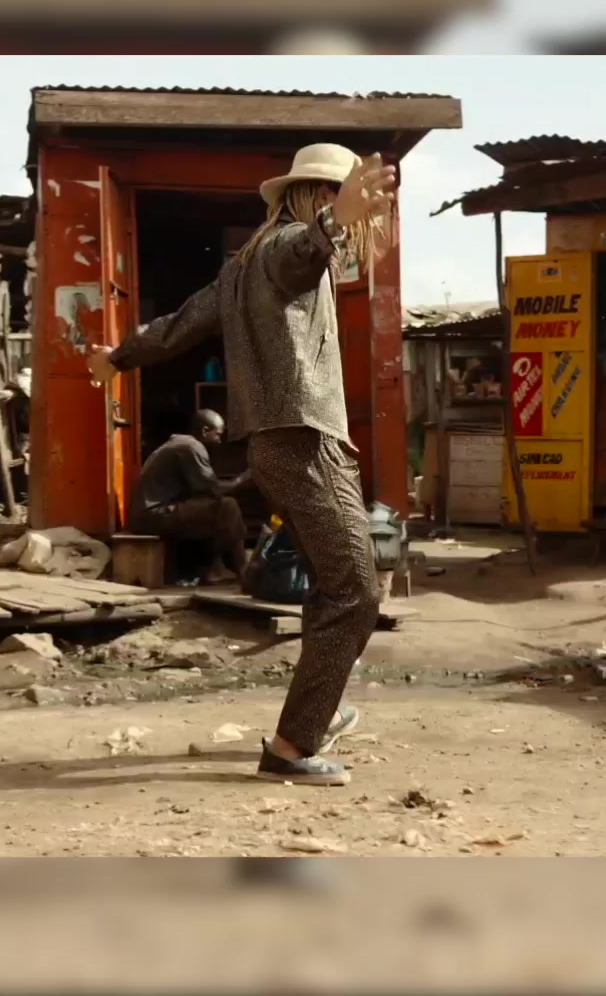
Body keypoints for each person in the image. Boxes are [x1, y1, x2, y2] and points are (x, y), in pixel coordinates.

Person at [86, 142, 395, 786]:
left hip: (276, 445)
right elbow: (303, 254)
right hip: (305, 441)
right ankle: (291, 747)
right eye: (339, 198)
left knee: (333, 586)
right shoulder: (287, 249)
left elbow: (177, 324)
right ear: (317, 195)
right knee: (356, 590)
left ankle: (317, 711)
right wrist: (334, 223)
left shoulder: (238, 267)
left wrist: (116, 358)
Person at [130, 408, 251, 585]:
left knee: (215, 511)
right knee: (227, 507)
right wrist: (242, 480)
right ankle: (243, 570)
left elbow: (201, 492)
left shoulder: (181, 443)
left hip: (150, 514)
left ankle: (216, 568)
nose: (220, 439)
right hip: (153, 515)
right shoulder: (192, 447)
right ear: (205, 431)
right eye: (218, 434)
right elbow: (211, 489)